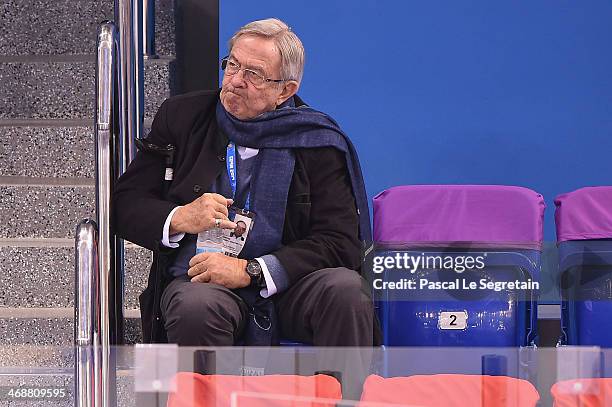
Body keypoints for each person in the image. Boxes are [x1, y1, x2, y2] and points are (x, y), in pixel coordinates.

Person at [113, 18, 378, 348]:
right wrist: (180, 217)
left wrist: (252, 270)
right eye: (232, 65)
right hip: (203, 280)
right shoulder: (182, 117)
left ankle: (344, 399)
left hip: (290, 285)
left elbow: (339, 242)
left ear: (286, 90)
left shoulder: (316, 141)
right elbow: (125, 203)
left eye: (254, 74)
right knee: (196, 307)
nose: (236, 81)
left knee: (346, 290)